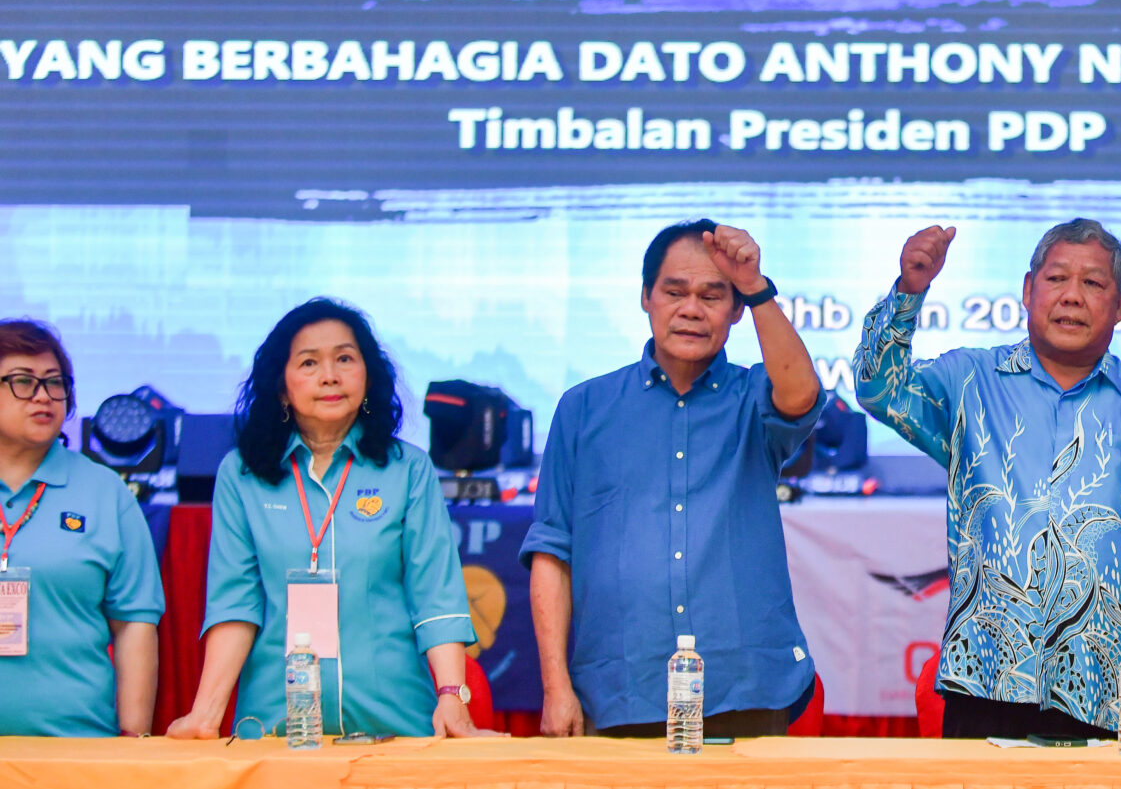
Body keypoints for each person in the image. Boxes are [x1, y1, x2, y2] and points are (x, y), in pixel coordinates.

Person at [854, 218, 1121, 741]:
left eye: (1093, 283)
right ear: (1028, 291)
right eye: (1056, 279)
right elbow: (877, 387)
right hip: (987, 677)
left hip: (1116, 688)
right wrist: (909, 291)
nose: (1072, 296)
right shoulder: (970, 383)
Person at [521, 222, 825, 737]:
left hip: (746, 683)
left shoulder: (753, 397)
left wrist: (756, 287)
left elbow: (801, 394)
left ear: (735, 310)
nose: (691, 310)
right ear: (646, 297)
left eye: (712, 296)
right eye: (675, 292)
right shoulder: (584, 408)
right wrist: (555, 686)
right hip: (620, 688)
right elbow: (552, 551)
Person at [166, 299, 484, 739]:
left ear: (368, 376)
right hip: (275, 728)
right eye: (309, 362)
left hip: (395, 723)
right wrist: (205, 713)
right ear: (281, 386)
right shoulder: (242, 475)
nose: (330, 375)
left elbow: (436, 595)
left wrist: (452, 695)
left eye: (345, 359)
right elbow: (235, 603)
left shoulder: (407, 469)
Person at [0, 319, 161, 736]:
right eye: (23, 381)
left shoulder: (105, 491)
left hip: (77, 744)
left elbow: (134, 624)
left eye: (55, 382)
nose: (43, 395)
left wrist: (133, 738)